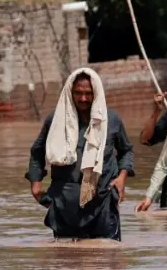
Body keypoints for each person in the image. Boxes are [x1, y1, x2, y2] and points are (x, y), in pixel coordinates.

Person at [25, 68, 135, 241]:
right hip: (64, 203)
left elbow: (126, 151)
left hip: (103, 201)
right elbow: (37, 151)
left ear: (96, 93)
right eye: (78, 93)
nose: (83, 99)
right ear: (70, 92)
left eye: (88, 93)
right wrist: (35, 183)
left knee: (107, 261)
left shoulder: (111, 119)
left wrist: (122, 178)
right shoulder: (55, 120)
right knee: (66, 262)